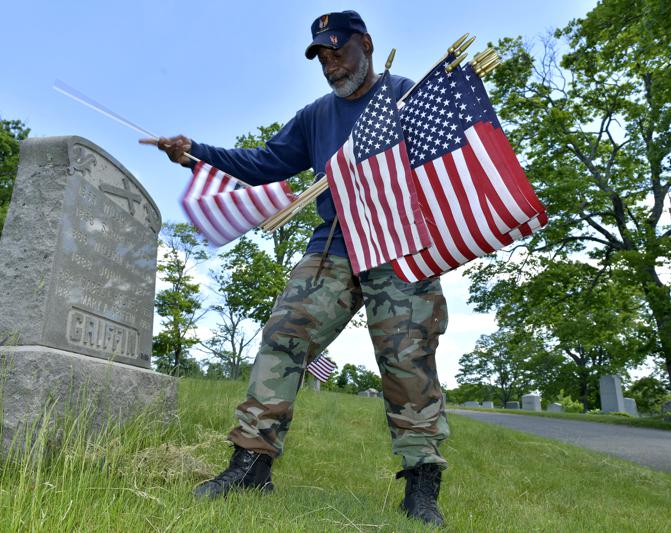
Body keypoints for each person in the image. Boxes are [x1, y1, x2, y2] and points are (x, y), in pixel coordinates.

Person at [143, 10, 450, 526]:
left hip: (399, 244)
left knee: (406, 359)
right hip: (332, 244)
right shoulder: (316, 116)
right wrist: (194, 154)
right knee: (284, 336)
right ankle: (250, 465)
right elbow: (264, 162)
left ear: (366, 44)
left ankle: (422, 484)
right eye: (321, 56)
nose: (330, 63)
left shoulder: (407, 96)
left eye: (338, 50)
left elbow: (448, 166)